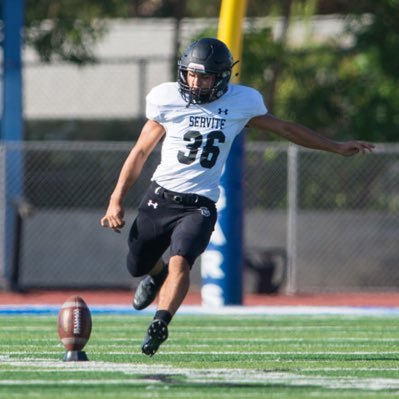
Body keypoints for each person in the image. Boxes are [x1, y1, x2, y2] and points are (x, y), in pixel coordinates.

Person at [100, 37, 374, 357]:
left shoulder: (241, 102)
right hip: (160, 196)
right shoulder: (166, 98)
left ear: (222, 77)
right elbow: (141, 151)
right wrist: (115, 199)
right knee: (138, 265)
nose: (195, 82)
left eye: (204, 77)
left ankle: (160, 323)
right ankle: (155, 275)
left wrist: (335, 146)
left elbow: (285, 129)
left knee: (182, 263)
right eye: (190, 74)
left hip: (199, 204)